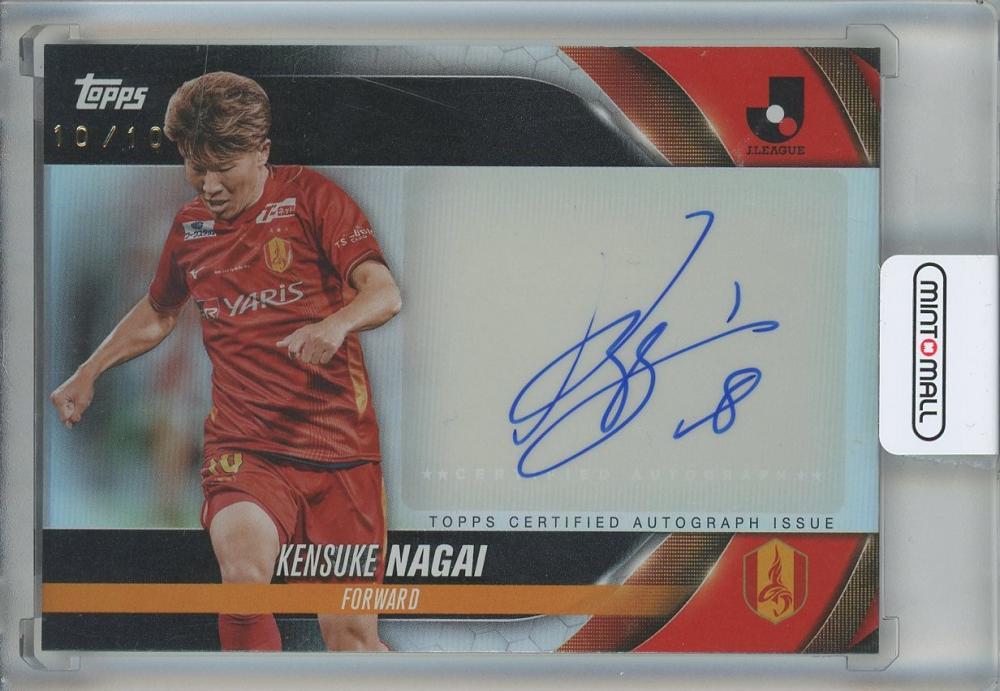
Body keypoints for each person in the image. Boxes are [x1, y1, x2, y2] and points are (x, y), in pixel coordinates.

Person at [50, 71, 401, 652]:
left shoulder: (314, 200)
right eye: (196, 167)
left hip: (341, 455)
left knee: (352, 644)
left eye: (223, 168)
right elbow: (159, 310)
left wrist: (335, 325)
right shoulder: (190, 229)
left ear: (262, 151)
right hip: (246, 449)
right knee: (242, 582)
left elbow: (384, 293)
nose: (209, 186)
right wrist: (89, 372)